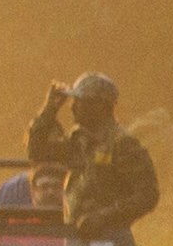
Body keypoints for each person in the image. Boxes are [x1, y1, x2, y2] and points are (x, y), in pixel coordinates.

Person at [59, 71, 162, 236]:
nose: (72, 107)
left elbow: (148, 195)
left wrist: (104, 217)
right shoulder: (77, 140)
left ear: (100, 106)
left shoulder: (122, 144)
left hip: (110, 239)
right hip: (74, 238)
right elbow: (38, 152)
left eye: (80, 101)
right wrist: (49, 109)